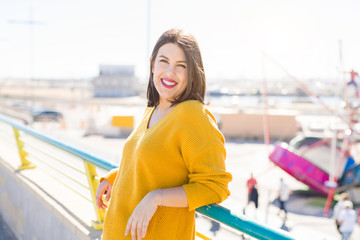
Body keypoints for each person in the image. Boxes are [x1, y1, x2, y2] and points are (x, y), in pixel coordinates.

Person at [95, 29, 232, 240]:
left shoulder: (194, 116)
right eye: (164, 61)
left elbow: (215, 186)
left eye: (181, 66)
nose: (169, 72)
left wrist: (156, 198)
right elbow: (152, 162)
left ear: (193, 72)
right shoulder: (153, 108)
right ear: (152, 64)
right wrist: (114, 177)